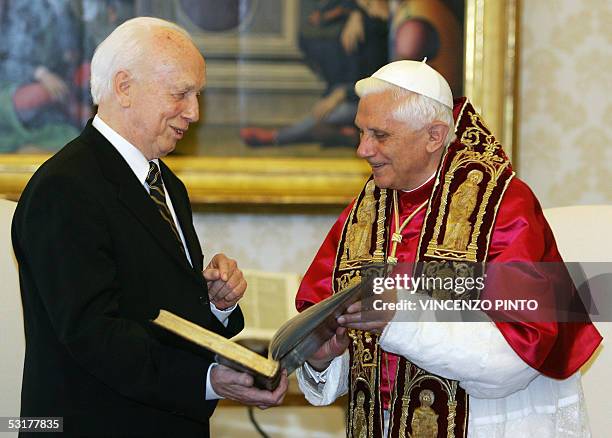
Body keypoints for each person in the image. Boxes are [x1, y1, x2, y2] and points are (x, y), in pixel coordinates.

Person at [294, 60, 601, 437]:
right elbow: (349, 348)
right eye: (361, 132)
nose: (363, 149)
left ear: (434, 135)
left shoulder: (502, 206)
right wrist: (324, 361)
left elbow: (518, 355)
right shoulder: (365, 212)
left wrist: (400, 318)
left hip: (487, 423)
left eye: (380, 135)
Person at [12, 17, 287, 437]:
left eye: (197, 95)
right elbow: (94, 334)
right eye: (181, 93)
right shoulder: (64, 188)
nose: (194, 112)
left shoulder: (166, 184)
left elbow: (159, 312)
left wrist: (215, 304)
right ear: (124, 87)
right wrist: (207, 381)